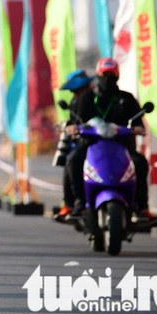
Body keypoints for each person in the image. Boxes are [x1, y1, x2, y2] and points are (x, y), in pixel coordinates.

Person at [65, 58, 151, 219]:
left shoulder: (127, 98)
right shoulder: (87, 98)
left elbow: (138, 122)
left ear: (117, 76)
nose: (108, 78)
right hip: (91, 145)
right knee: (74, 160)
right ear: (98, 75)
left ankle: (140, 206)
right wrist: (73, 127)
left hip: (122, 146)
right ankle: (79, 202)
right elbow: (76, 121)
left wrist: (138, 128)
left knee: (140, 162)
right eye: (105, 75)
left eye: (111, 75)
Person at [53, 70, 93, 222]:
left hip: (96, 142)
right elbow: (76, 121)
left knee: (74, 161)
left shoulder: (89, 97)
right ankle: (72, 203)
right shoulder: (76, 99)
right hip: (82, 141)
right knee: (70, 161)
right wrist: (67, 125)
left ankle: (80, 202)